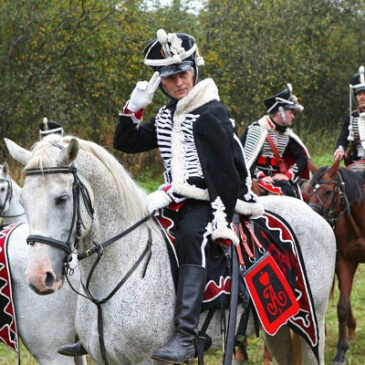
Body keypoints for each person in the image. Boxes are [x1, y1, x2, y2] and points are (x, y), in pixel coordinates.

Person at [58, 29, 263, 363]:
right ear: (161, 82)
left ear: (194, 70)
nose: (178, 83)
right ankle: (101, 322)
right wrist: (135, 106)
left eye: (182, 74)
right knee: (123, 236)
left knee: (190, 236)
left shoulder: (212, 112)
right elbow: (127, 142)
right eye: (169, 78)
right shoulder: (168, 114)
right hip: (176, 197)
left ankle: (185, 334)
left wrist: (187, 200)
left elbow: (223, 175)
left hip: (214, 198)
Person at [241, 84, 310, 198]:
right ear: (280, 112)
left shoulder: (287, 135)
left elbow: (302, 157)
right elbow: (244, 158)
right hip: (253, 178)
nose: (293, 116)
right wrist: (260, 176)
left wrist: (288, 175)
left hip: (277, 180)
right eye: (290, 112)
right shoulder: (256, 130)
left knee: (294, 196)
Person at [334, 65, 365, 165]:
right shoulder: (351, 117)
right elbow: (343, 138)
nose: (362, 97)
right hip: (356, 161)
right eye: (359, 94)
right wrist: (340, 149)